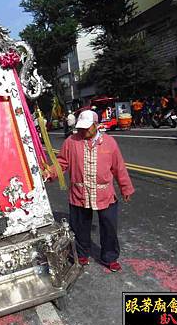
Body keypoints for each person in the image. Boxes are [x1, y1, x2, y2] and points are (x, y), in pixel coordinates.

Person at [44, 110, 134, 272]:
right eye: (81, 128)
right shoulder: (71, 142)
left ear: (95, 125)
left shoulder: (110, 143)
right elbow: (62, 162)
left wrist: (125, 187)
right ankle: (81, 254)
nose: (83, 131)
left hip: (104, 193)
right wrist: (49, 173)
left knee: (109, 227)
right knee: (80, 226)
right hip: (80, 193)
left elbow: (118, 167)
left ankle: (110, 257)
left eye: (87, 128)